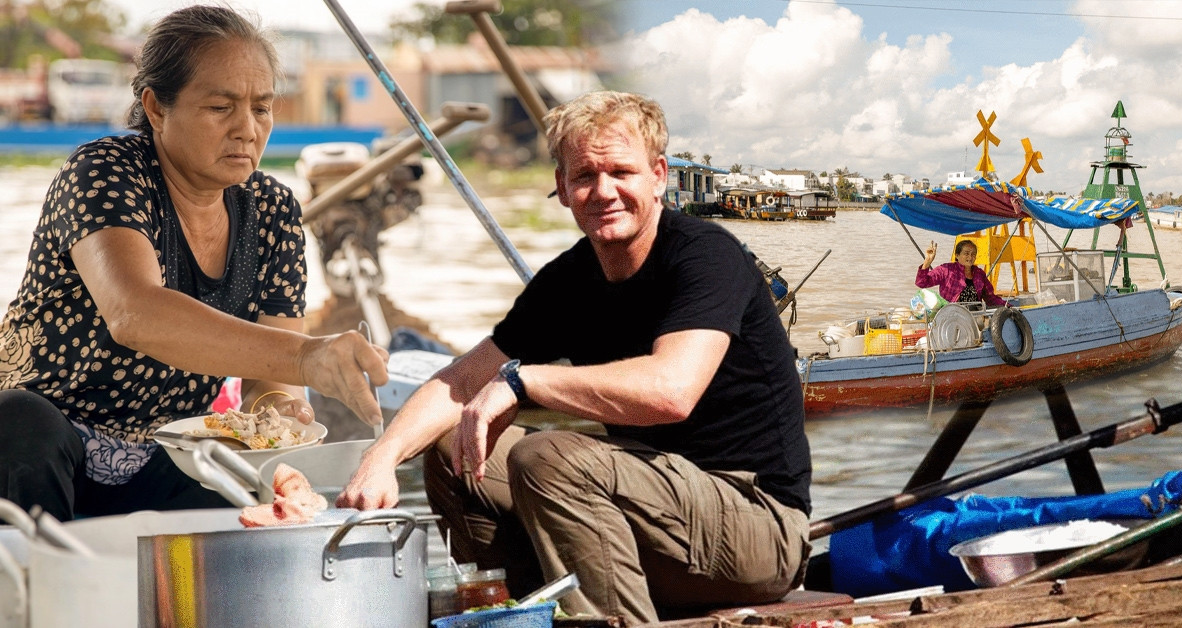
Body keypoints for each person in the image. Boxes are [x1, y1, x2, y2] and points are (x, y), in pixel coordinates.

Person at [339, 91, 812, 624]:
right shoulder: (568, 280)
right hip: (656, 513)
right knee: (457, 447)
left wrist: (523, 383)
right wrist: (379, 460)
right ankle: (521, 612)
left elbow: (671, 391)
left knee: (548, 457)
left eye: (621, 172)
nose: (603, 191)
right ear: (562, 188)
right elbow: (460, 381)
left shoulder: (706, 255)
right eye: (585, 175)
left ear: (658, 176)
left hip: (758, 527)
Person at [0, 5, 388, 522]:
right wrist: (307, 356)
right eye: (221, 107)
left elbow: (269, 381)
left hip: (165, 456)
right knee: (22, 422)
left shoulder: (273, 211)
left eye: (262, 108)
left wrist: (276, 419)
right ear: (157, 108)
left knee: (245, 487)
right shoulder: (105, 172)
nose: (247, 129)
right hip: (39, 446)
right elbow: (136, 314)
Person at [916, 240, 1009, 309]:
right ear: (957, 255)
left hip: (975, 316)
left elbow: (991, 298)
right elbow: (921, 283)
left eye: (973, 254)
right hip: (951, 314)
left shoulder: (979, 274)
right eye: (966, 253)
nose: (970, 257)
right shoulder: (946, 269)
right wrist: (927, 261)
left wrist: (1008, 306)